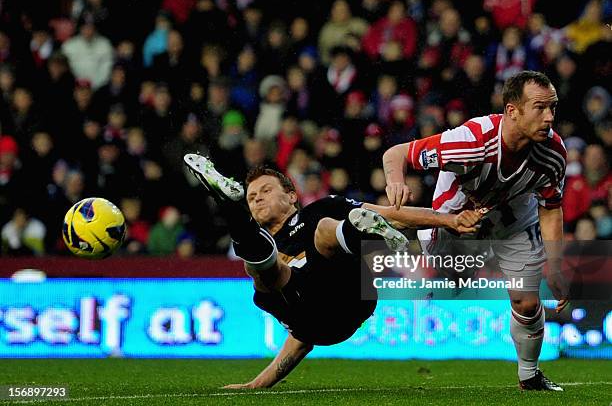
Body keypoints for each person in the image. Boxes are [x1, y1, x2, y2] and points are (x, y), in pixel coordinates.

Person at [183, 153, 480, 389]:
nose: (258, 197)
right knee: (260, 266)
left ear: (291, 195)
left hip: (347, 294)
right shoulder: (265, 248)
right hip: (310, 316)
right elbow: (302, 339)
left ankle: (359, 230)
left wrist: (450, 221)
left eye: (265, 190)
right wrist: (257, 384)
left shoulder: (319, 209)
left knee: (323, 228)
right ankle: (233, 208)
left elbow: (394, 215)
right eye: (250, 197)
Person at [382, 70, 567, 391]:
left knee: (527, 302)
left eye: (553, 107)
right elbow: (396, 153)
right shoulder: (470, 142)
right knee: (448, 277)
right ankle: (431, 254)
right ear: (512, 110)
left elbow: (550, 208)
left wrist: (557, 265)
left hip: (513, 220)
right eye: (540, 108)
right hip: (455, 218)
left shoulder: (554, 154)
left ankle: (529, 375)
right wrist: (396, 181)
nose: (549, 117)